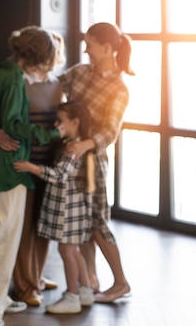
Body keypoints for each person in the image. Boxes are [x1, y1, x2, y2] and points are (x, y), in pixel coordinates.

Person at [0, 25, 65, 326]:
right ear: (38, 57)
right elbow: (15, 125)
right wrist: (53, 132)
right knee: (3, 241)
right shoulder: (16, 78)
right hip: (11, 166)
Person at [0, 31, 65, 307]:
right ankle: (24, 286)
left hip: (49, 165)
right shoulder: (15, 80)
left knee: (42, 227)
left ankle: (37, 277)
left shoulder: (57, 85)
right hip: (23, 163)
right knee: (23, 228)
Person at [58, 22, 134, 303]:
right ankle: (90, 280)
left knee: (98, 224)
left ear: (107, 48)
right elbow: (54, 86)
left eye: (90, 45)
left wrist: (84, 144)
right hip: (72, 160)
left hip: (93, 164)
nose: (86, 49)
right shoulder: (79, 72)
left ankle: (121, 283)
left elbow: (110, 131)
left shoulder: (118, 88)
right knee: (83, 226)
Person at [13, 101, 95, 313]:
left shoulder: (72, 147)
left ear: (74, 122)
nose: (55, 124)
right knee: (73, 250)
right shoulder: (73, 142)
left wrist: (32, 167)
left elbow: (59, 175)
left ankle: (72, 296)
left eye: (60, 121)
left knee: (66, 250)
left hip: (69, 211)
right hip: (73, 210)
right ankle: (85, 290)